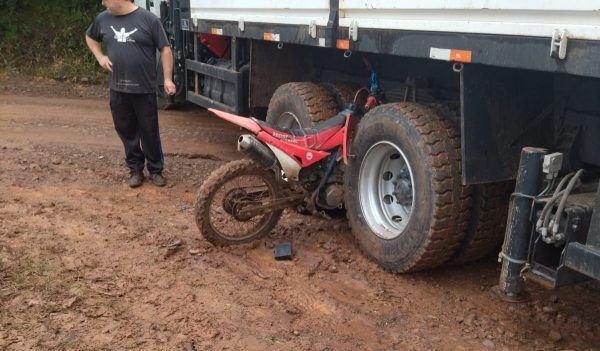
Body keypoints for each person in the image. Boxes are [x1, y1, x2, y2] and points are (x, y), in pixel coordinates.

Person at [85, 0, 176, 188]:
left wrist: (167, 79)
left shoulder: (149, 19)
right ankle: (135, 170)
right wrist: (100, 57)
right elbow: (90, 37)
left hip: (144, 88)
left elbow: (165, 49)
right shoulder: (102, 19)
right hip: (118, 89)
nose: (102, 2)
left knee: (149, 131)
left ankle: (155, 170)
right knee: (126, 131)